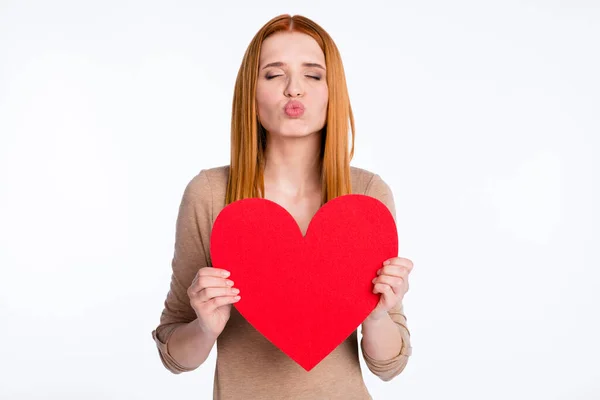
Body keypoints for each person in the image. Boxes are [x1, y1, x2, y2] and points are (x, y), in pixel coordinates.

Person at [151, 14, 414, 400]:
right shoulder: (209, 194)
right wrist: (206, 327)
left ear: (332, 91)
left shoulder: (366, 196)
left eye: (313, 75)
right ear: (251, 92)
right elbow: (176, 355)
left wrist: (376, 313)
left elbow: (389, 364)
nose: (294, 90)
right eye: (274, 75)